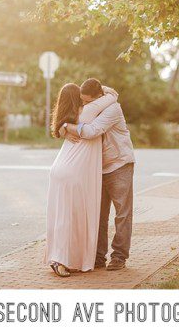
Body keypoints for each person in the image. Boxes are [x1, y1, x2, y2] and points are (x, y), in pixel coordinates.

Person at [60, 78, 136, 272]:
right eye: (82, 102)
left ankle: (119, 256)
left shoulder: (113, 109)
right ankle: (98, 257)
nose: (84, 106)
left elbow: (93, 131)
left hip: (119, 164)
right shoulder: (93, 106)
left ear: (98, 97)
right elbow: (74, 121)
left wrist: (68, 126)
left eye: (87, 102)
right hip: (97, 168)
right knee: (98, 215)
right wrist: (62, 127)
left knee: (122, 214)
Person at [45, 81, 117, 277]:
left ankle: (60, 258)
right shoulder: (87, 112)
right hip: (74, 172)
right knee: (75, 217)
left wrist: (65, 126)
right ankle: (62, 260)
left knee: (61, 217)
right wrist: (103, 88)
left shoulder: (66, 120)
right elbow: (113, 95)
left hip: (60, 169)